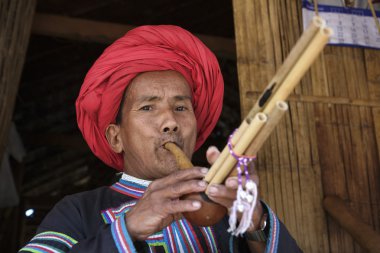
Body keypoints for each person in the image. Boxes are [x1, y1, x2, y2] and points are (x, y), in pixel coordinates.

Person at [19, 25, 302, 253]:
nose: (170, 123)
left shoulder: (226, 208)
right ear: (116, 138)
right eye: (147, 107)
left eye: (181, 108)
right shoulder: (79, 210)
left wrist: (254, 221)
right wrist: (126, 230)